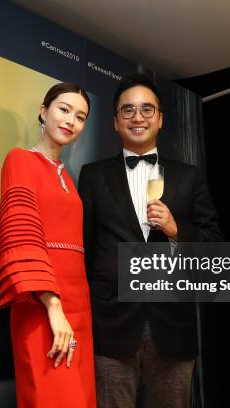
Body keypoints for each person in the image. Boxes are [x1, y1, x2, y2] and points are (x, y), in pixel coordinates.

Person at [78, 73, 222, 408]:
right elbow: (83, 248)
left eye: (146, 109)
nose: (137, 117)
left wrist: (176, 230)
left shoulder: (189, 176)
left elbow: (214, 244)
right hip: (109, 327)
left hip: (173, 328)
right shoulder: (92, 175)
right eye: (127, 111)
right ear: (115, 122)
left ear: (160, 118)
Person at [0, 83, 96, 408]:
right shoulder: (20, 160)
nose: (71, 121)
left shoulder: (68, 176)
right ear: (44, 111)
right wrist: (53, 306)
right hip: (41, 303)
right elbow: (19, 232)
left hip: (78, 304)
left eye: (80, 117)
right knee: (52, 398)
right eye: (64, 110)